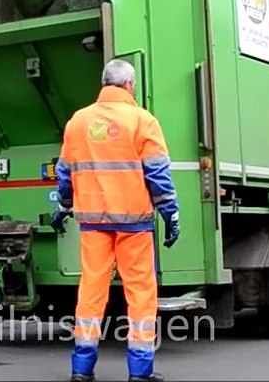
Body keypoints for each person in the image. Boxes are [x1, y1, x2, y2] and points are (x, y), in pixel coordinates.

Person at [52, 59, 180, 382]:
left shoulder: (77, 122)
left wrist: (64, 207)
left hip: (92, 223)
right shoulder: (143, 121)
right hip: (134, 223)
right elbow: (158, 174)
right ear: (129, 86)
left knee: (91, 291)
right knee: (139, 294)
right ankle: (140, 371)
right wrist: (170, 213)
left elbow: (65, 173)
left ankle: (82, 369)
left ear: (103, 83)